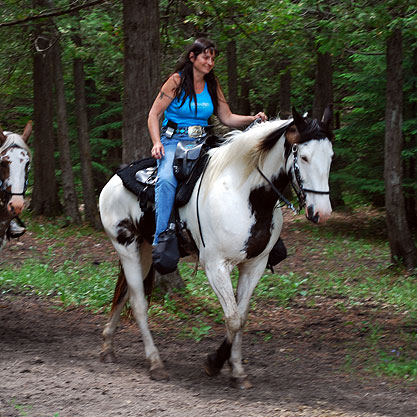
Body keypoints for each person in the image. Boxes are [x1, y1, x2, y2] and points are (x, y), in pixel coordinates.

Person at [148, 37, 267, 247]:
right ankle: (162, 238)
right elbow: (153, 115)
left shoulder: (213, 84)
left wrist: (252, 119)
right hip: (173, 141)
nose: (210, 63)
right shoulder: (176, 81)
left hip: (202, 141)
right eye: (205, 57)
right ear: (193, 57)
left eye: (213, 58)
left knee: (237, 169)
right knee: (166, 179)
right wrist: (156, 142)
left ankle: (257, 231)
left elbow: (227, 118)